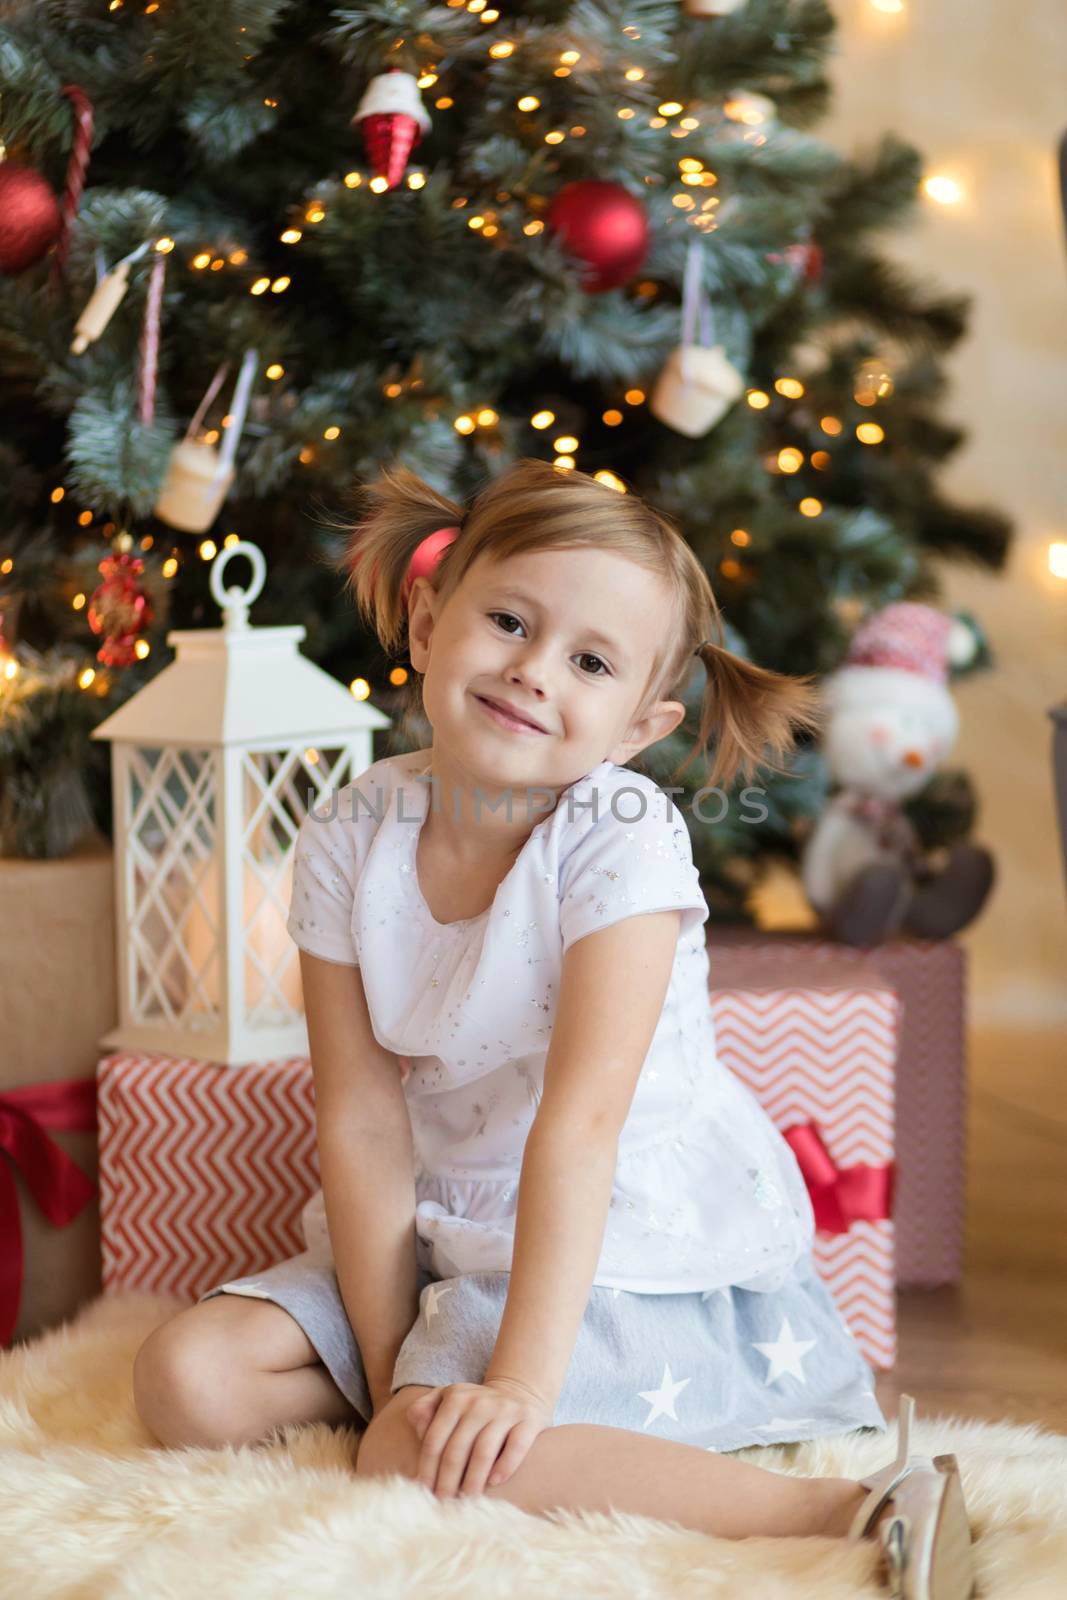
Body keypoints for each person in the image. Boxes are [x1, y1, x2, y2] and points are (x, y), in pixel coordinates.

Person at [133, 459, 976, 1597]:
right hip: (439, 1225)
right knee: (189, 1380)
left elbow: (579, 1129)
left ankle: (854, 1506)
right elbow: (363, 1121)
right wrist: (392, 1369)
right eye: (507, 622)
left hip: (616, 1237)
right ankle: (444, 1393)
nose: (532, 671)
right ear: (429, 622)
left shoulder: (618, 838)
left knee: (414, 1460)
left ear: (637, 726)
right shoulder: (352, 827)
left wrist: (516, 1386)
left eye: (587, 662)